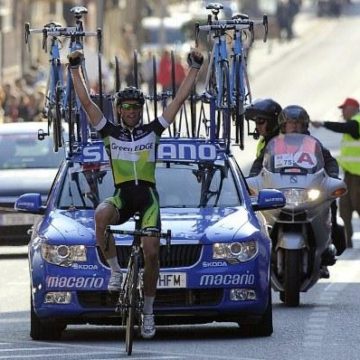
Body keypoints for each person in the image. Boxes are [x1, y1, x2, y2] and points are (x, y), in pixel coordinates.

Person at [68, 48, 204, 339]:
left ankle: (149, 311)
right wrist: (74, 67)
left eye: (136, 108)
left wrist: (194, 66)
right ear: (119, 110)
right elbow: (85, 101)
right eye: (126, 107)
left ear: (141, 110)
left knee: (152, 253)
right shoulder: (109, 132)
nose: (131, 112)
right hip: (123, 196)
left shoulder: (152, 131)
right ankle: (116, 270)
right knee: (101, 214)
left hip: (148, 198)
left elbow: (179, 100)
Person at [312, 97, 360, 248]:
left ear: (352, 108)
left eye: (344, 109)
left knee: (358, 205)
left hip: (358, 176)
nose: (342, 112)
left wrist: (323, 124)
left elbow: (344, 127)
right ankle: (347, 242)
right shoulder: (353, 123)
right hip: (349, 174)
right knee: (344, 208)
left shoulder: (356, 123)